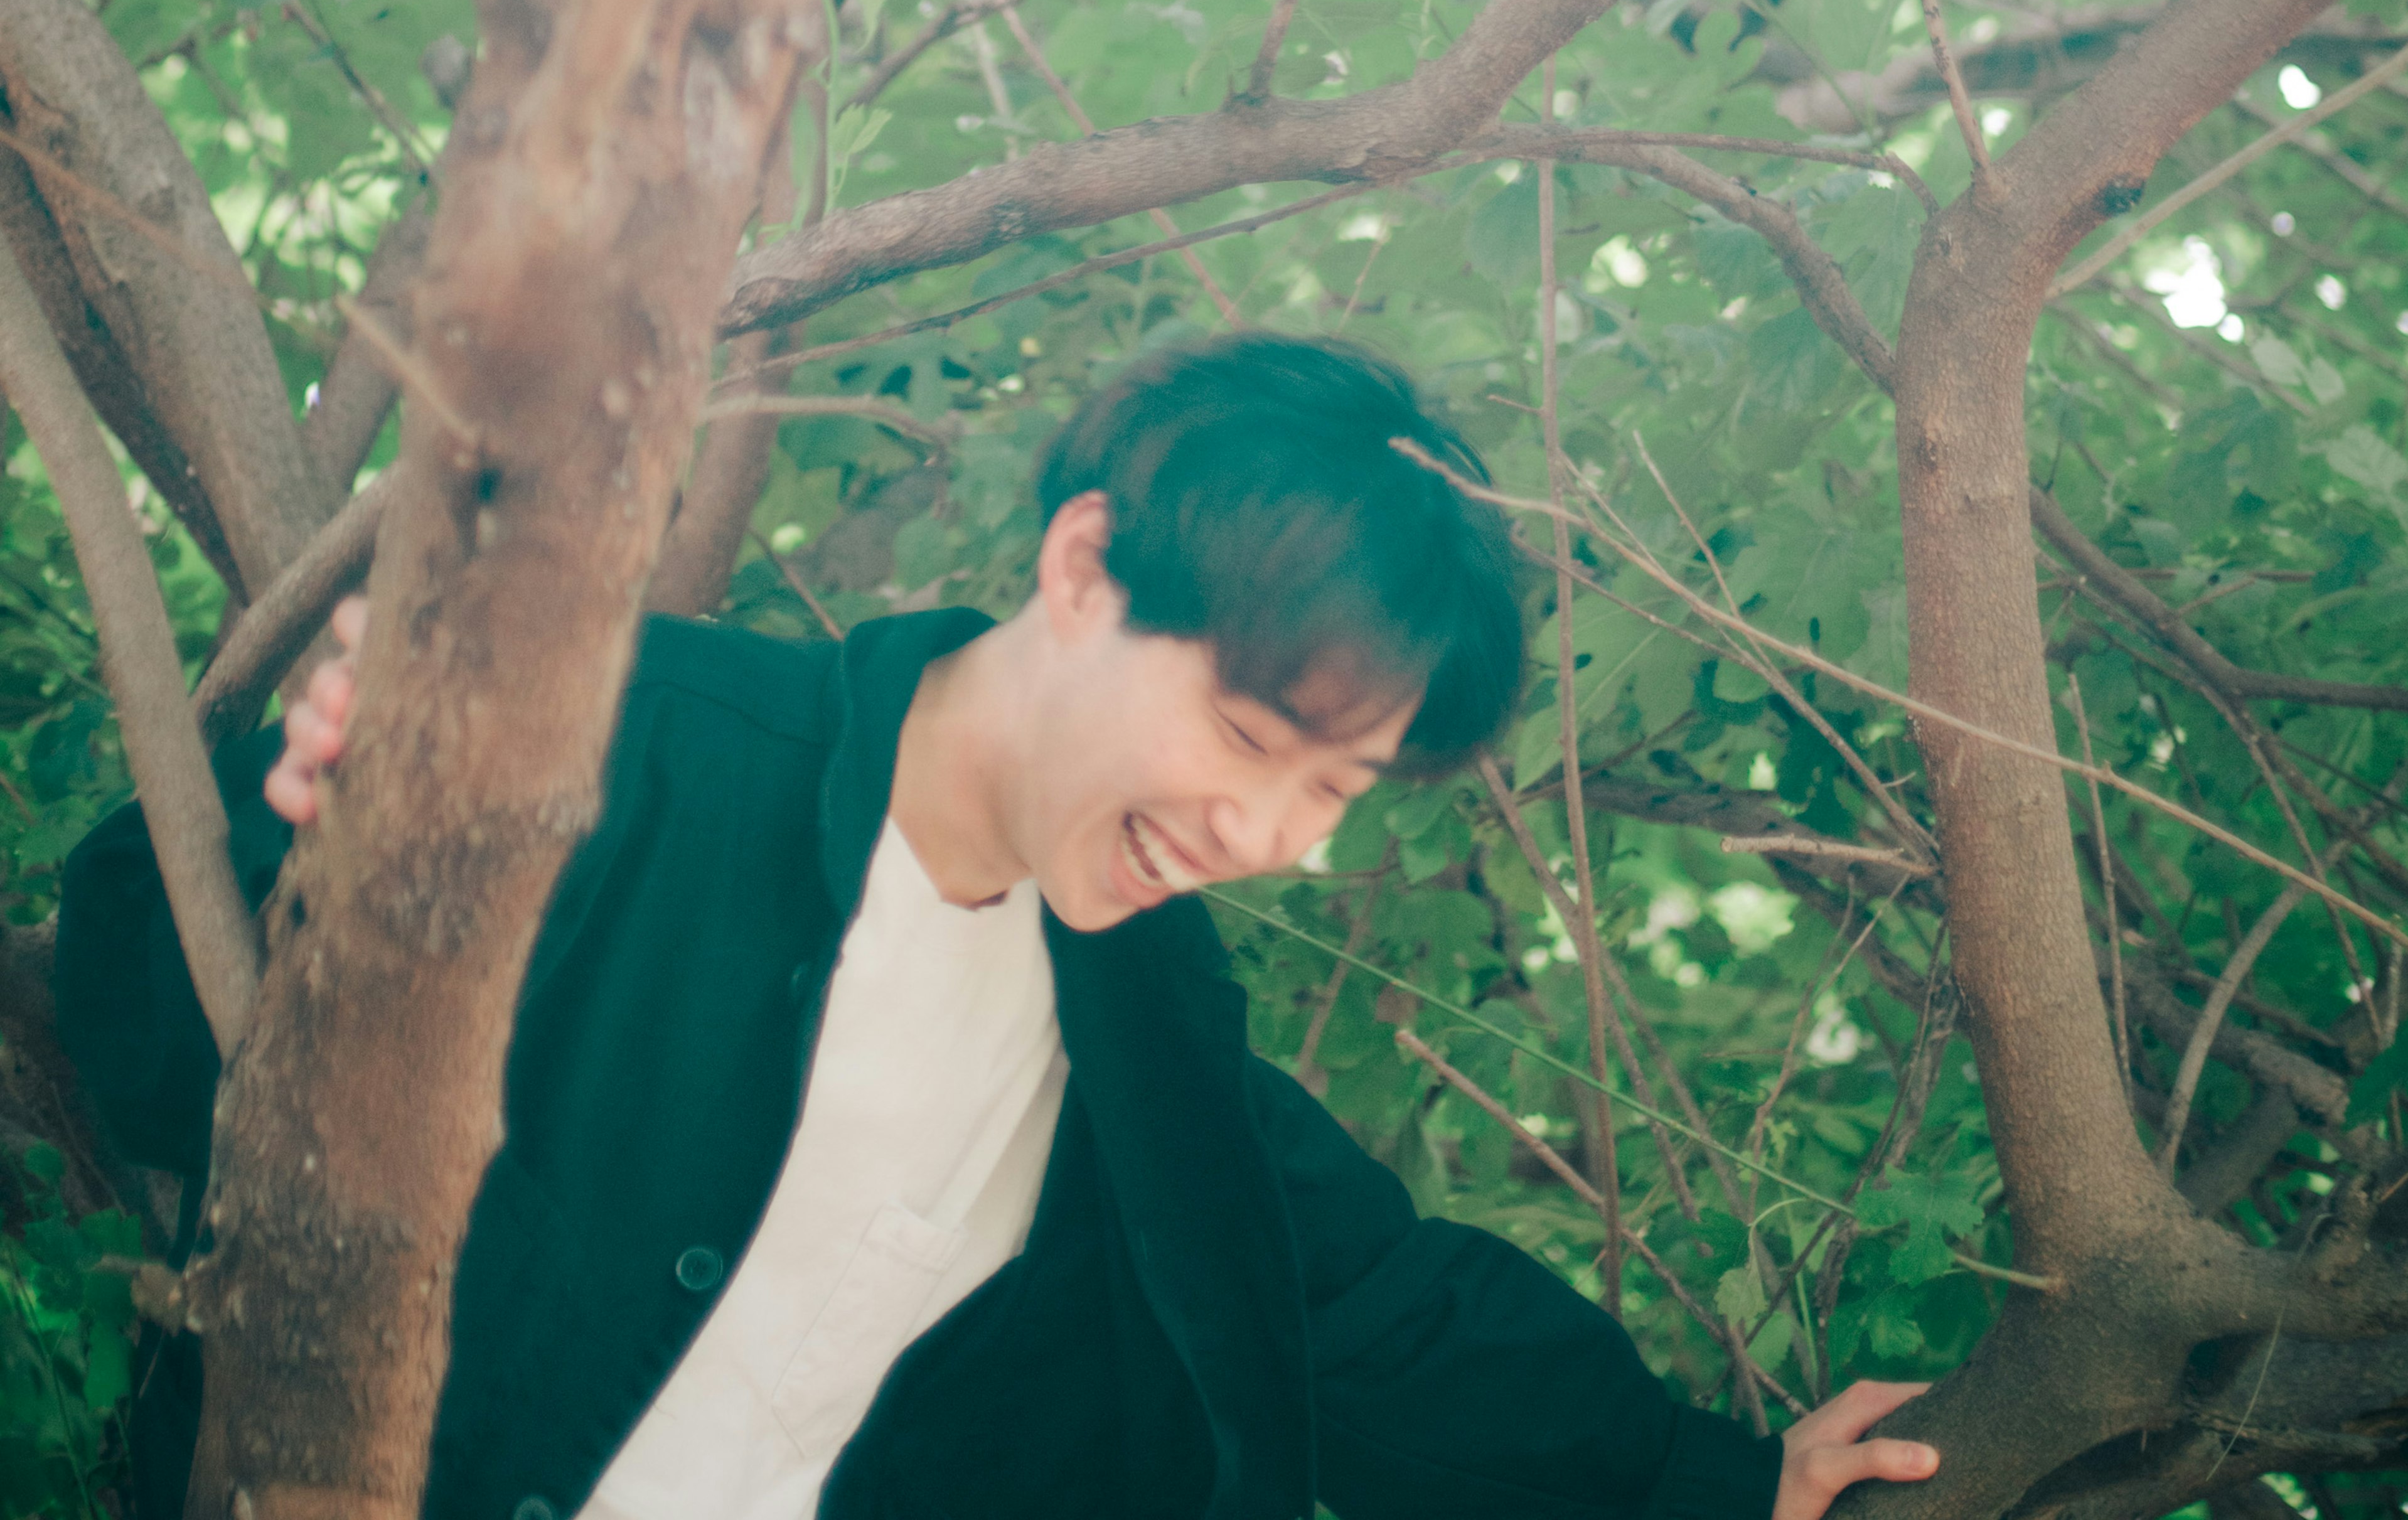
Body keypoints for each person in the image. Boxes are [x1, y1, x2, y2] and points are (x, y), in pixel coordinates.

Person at [58, 330, 1940, 1520]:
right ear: (1081, 570)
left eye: (1333, 799)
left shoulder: (1144, 1023)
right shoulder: (627, 742)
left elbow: (1362, 1310)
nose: (1271, 838)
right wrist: (323, 830)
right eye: (1252, 738)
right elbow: (151, 1042)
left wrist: (1721, 1486)